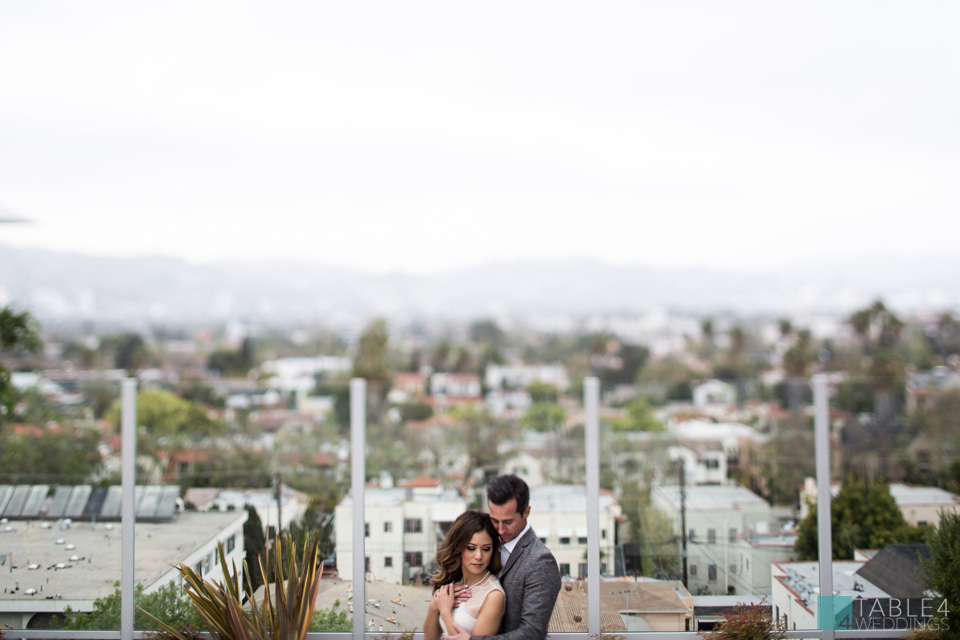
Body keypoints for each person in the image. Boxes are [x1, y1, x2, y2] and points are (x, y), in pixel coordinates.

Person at [448, 474, 561, 640]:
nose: (500, 530)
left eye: (508, 522)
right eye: (495, 520)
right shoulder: (485, 541)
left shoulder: (541, 562)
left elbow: (532, 633)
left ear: (526, 512)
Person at [424, 510, 505, 640]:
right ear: (458, 547)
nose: (479, 556)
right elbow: (430, 638)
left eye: (486, 549)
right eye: (471, 548)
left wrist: (445, 612)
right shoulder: (454, 583)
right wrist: (435, 606)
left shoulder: (493, 596)